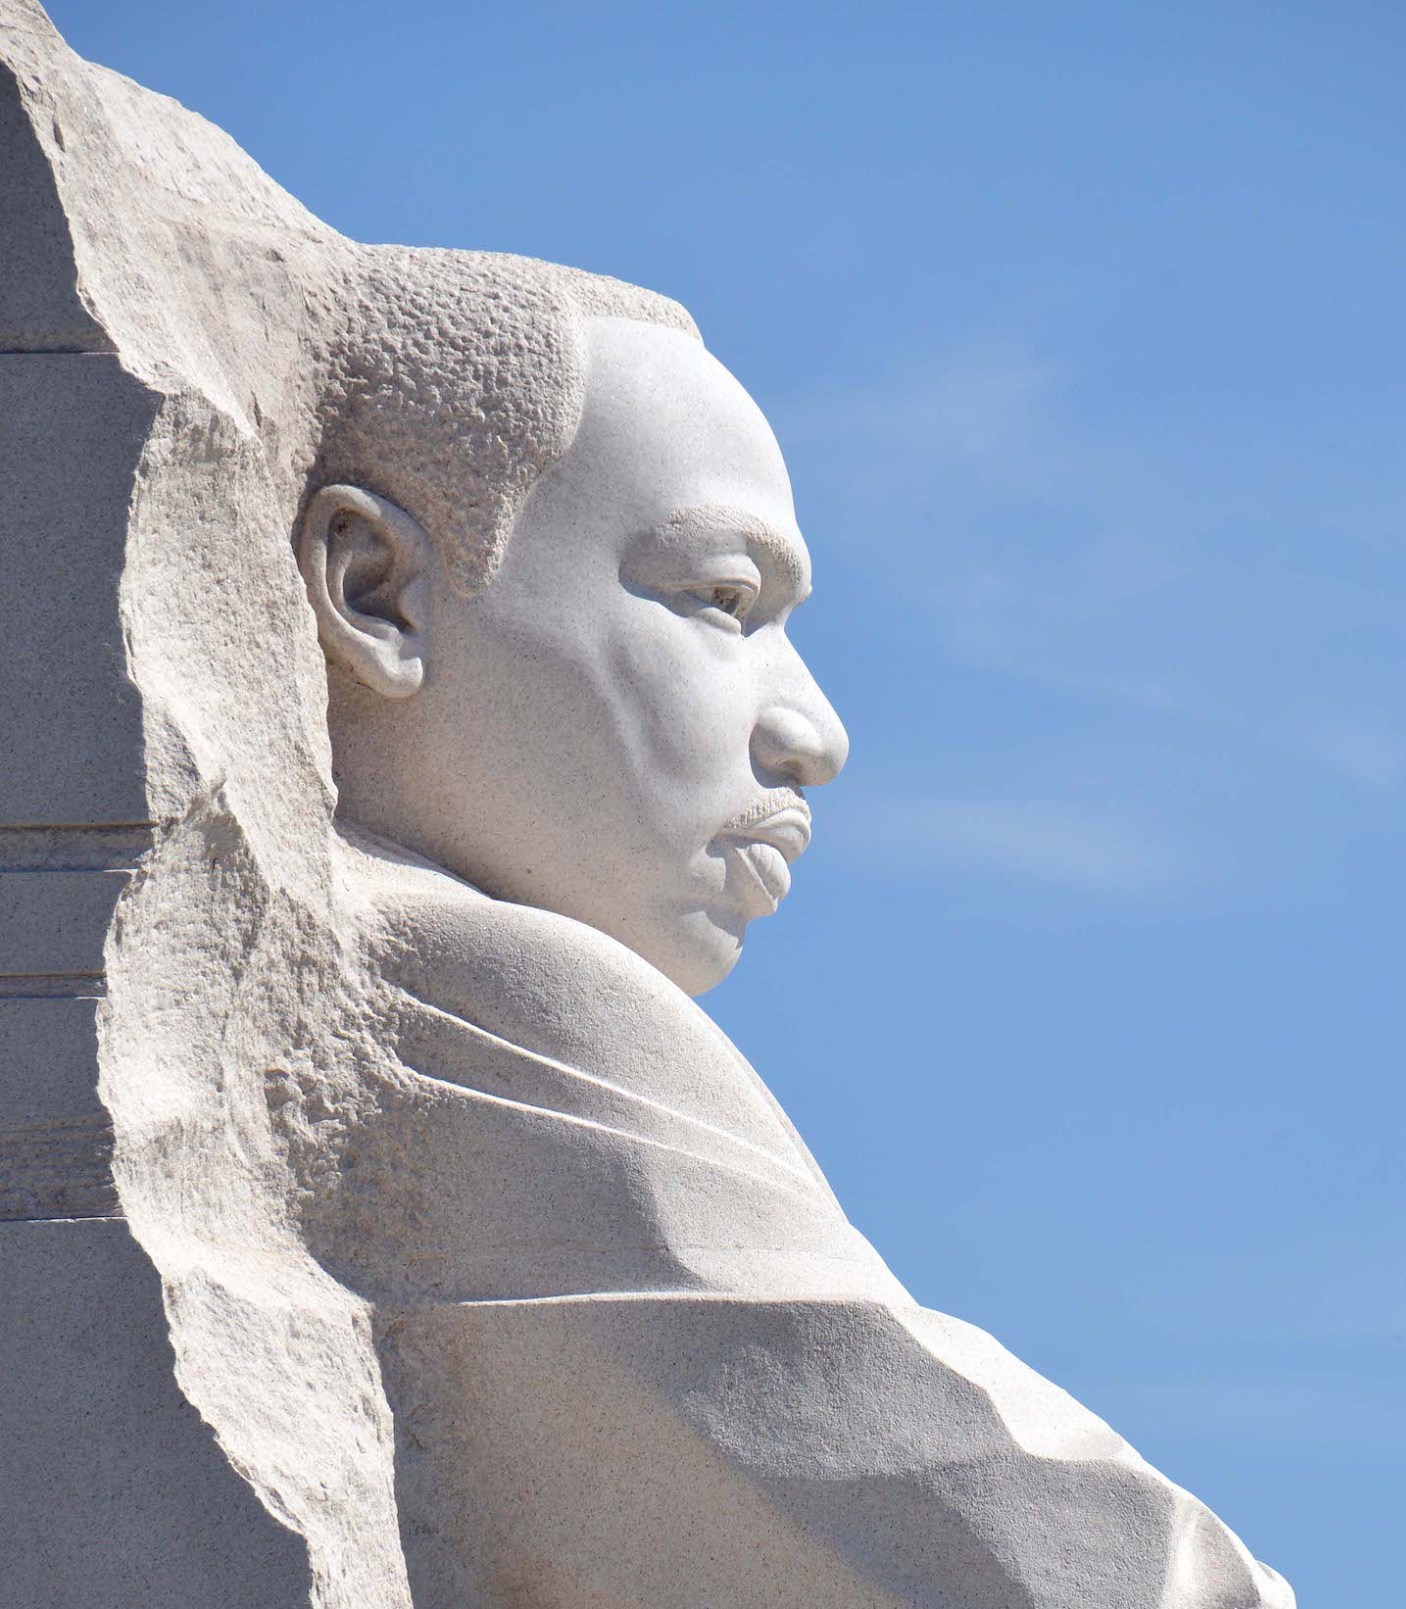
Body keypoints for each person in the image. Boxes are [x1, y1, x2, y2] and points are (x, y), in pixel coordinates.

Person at [289, 243, 1295, 1607]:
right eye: (721, 603)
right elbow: (1004, 1532)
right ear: (377, 591)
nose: (813, 731)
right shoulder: (471, 979)